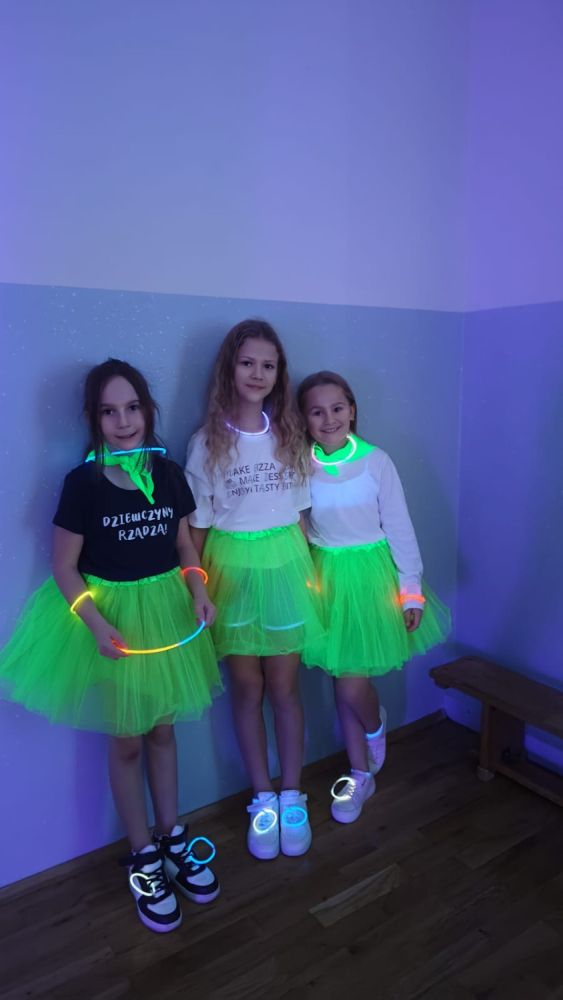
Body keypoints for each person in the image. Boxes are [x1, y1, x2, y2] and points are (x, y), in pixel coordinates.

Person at [0, 359, 223, 933]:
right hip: (115, 621)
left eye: (132, 408)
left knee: (164, 731)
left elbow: (185, 548)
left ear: (148, 410)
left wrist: (198, 589)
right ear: (93, 419)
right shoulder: (82, 484)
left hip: (167, 615)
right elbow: (64, 567)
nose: (123, 421)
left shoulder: (168, 473)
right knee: (127, 740)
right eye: (109, 411)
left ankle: (172, 836)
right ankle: (143, 854)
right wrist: (97, 625)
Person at [185, 320, 324, 861]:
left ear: (278, 373)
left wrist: (319, 577)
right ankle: (262, 798)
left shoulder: (290, 434)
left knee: (285, 687)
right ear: (230, 368)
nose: (257, 373)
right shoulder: (206, 443)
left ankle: (292, 795)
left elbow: (304, 516)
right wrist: (196, 587)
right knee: (247, 689)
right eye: (248, 363)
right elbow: (197, 528)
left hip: (285, 568)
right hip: (232, 573)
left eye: (268, 365)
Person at [297, 371, 450, 824]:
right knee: (340, 681)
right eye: (317, 411)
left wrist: (411, 591)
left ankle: (375, 725)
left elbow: (399, 527)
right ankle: (360, 774)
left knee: (351, 684)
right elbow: (299, 526)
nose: (328, 419)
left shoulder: (376, 461)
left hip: (371, 581)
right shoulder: (300, 464)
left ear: (352, 410)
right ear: (304, 419)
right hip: (325, 580)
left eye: (337, 408)